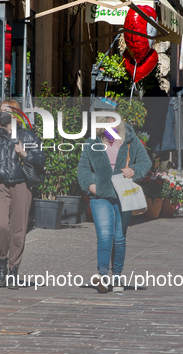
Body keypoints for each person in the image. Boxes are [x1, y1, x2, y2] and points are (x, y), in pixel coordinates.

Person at [77, 113, 151, 293]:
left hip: (122, 195)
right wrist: (90, 186)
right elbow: (83, 169)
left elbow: (145, 162)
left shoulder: (131, 141)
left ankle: (117, 276)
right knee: (104, 235)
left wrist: (133, 170)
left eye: (116, 126)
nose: (113, 130)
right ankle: (102, 275)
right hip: (100, 196)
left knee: (119, 237)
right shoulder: (92, 143)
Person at [0, 99, 45, 289]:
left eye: (8, 111)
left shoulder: (29, 137)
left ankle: (13, 269)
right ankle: (2, 264)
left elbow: (41, 159)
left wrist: (25, 154)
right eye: (1, 111)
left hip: (22, 185)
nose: (3, 114)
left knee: (18, 229)